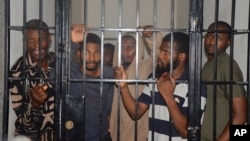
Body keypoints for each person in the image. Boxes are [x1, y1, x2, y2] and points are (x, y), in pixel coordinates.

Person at [113, 32, 207, 141]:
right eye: (160, 51)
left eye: (166, 52)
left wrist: (168, 96)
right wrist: (123, 86)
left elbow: (186, 132)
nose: (160, 55)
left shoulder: (196, 86)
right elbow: (135, 113)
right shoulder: (154, 79)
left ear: (182, 56)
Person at [109, 25, 163, 141]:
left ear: (138, 48)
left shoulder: (146, 67)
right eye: (121, 47)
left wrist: (151, 36)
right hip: (116, 131)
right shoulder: (114, 70)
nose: (125, 51)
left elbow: (158, 52)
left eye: (130, 47)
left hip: (138, 131)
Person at [63, 25, 114, 141]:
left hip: (102, 136)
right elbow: (53, 78)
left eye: (96, 53)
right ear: (79, 53)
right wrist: (74, 43)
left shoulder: (109, 74)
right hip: (75, 136)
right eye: (86, 53)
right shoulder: (71, 71)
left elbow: (110, 105)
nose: (91, 58)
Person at [8, 19, 56, 141]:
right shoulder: (17, 72)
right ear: (25, 42)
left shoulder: (58, 62)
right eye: (30, 40)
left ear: (49, 39)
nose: (36, 45)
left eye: (42, 39)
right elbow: (24, 123)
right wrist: (34, 105)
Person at [201, 21, 247, 141]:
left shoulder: (227, 66)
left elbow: (241, 116)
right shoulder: (207, 66)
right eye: (209, 35)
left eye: (218, 37)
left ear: (228, 42)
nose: (211, 40)